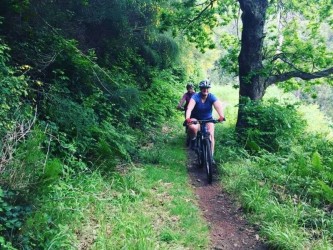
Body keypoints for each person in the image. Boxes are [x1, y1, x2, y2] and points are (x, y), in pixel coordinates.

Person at [185, 80, 225, 162]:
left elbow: (218, 106)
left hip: (208, 119)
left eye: (207, 88)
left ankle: (211, 156)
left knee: (211, 135)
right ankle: (193, 139)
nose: (205, 90)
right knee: (192, 128)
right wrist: (188, 118)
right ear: (200, 89)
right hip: (195, 118)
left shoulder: (211, 97)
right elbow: (189, 108)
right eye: (203, 88)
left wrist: (221, 116)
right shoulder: (195, 97)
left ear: (209, 89)